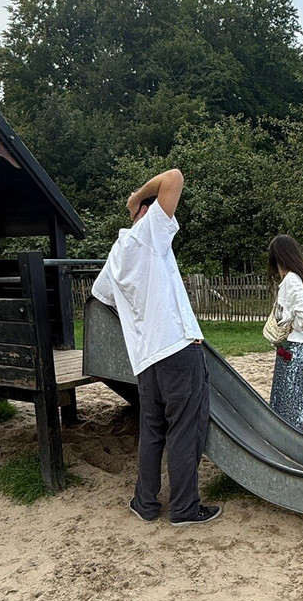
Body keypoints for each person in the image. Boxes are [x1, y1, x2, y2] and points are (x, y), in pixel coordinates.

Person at [91, 168, 221, 527]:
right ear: (149, 211)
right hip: (176, 347)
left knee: (151, 432)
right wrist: (136, 198)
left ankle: (145, 503)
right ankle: (184, 508)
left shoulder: (117, 254)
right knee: (184, 429)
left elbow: (101, 295)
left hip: (146, 357)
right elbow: (174, 177)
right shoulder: (150, 231)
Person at [267, 234, 303, 435]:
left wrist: (291, 326)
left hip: (295, 347)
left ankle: (291, 438)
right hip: (302, 346)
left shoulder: (291, 280)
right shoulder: (299, 278)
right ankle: (298, 436)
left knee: (291, 398)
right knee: (298, 397)